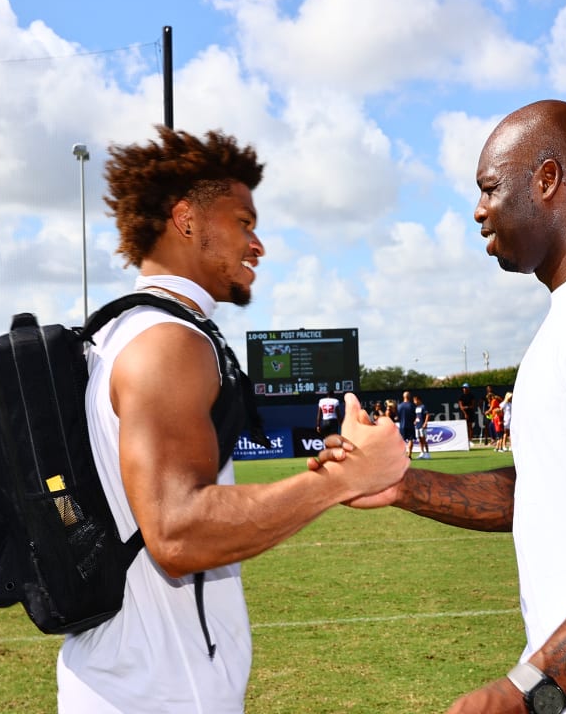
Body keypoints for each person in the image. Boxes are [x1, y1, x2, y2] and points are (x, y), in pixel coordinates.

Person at [319, 100, 566, 712]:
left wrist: (534, 685)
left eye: (489, 188)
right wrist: (402, 485)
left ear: (546, 180)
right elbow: (540, 491)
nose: (478, 211)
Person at [56, 127, 408, 714]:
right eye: (244, 222)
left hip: (127, 683)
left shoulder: (121, 332)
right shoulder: (167, 342)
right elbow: (177, 531)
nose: (258, 243)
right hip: (158, 696)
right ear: (187, 219)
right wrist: (345, 478)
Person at [412, 393, 432, 460]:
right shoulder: (416, 408)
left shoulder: (423, 406)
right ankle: (422, 453)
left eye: (415, 400)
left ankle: (427, 453)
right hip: (417, 426)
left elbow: (427, 415)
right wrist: (415, 421)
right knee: (420, 440)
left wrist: (425, 423)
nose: (414, 402)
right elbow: (417, 416)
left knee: (424, 439)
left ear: (419, 400)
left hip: (422, 426)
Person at [398, 390, 417, 459]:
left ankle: (402, 455)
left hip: (402, 425)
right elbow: (416, 416)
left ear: (403, 397)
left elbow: (397, 417)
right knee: (410, 439)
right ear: (409, 397)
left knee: (402, 441)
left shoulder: (399, 406)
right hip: (410, 425)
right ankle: (409, 454)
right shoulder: (412, 405)